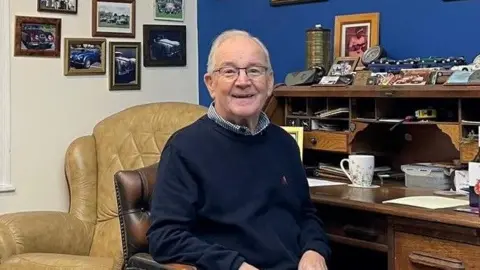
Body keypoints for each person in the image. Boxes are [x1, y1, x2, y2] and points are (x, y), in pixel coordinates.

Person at [147, 29, 331, 270]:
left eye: (254, 70)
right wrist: (234, 266)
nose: (243, 81)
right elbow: (164, 238)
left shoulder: (284, 143)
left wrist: (314, 249)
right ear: (210, 84)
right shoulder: (184, 148)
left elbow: (305, 214)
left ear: (270, 82)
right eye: (230, 71)